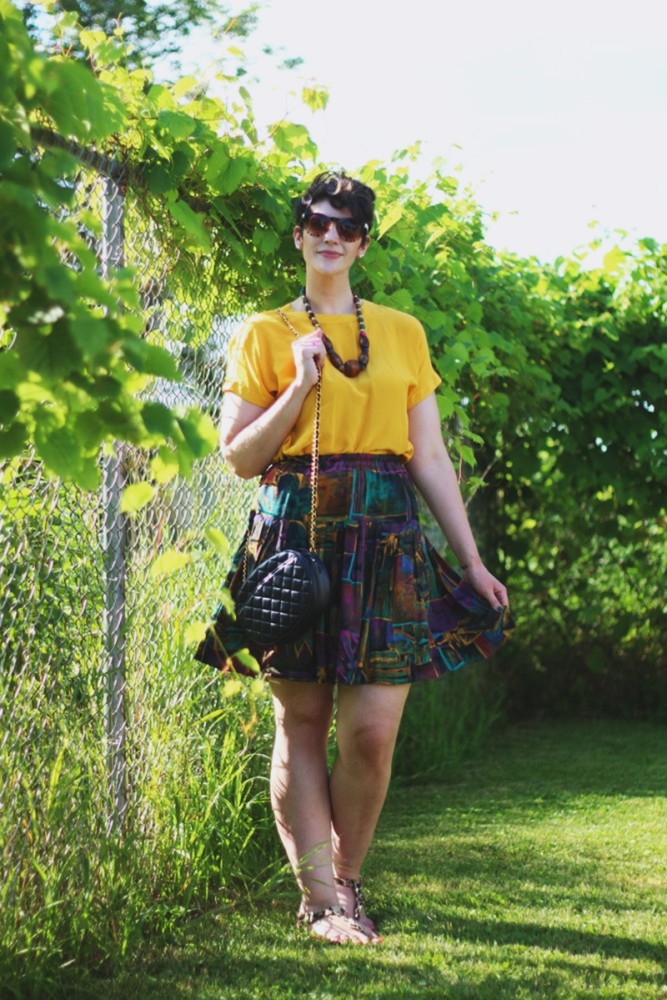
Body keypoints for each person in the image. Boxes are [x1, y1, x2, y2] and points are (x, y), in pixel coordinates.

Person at [196, 171, 511, 945]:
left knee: (371, 731)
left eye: (347, 225)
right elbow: (238, 458)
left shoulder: (401, 332)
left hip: (385, 533)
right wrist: (298, 386)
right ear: (298, 234)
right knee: (299, 720)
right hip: (294, 533)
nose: (330, 235)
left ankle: (348, 876)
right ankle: (325, 903)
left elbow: (430, 456)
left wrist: (467, 560)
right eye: (317, 222)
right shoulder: (264, 334)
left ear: (363, 242)